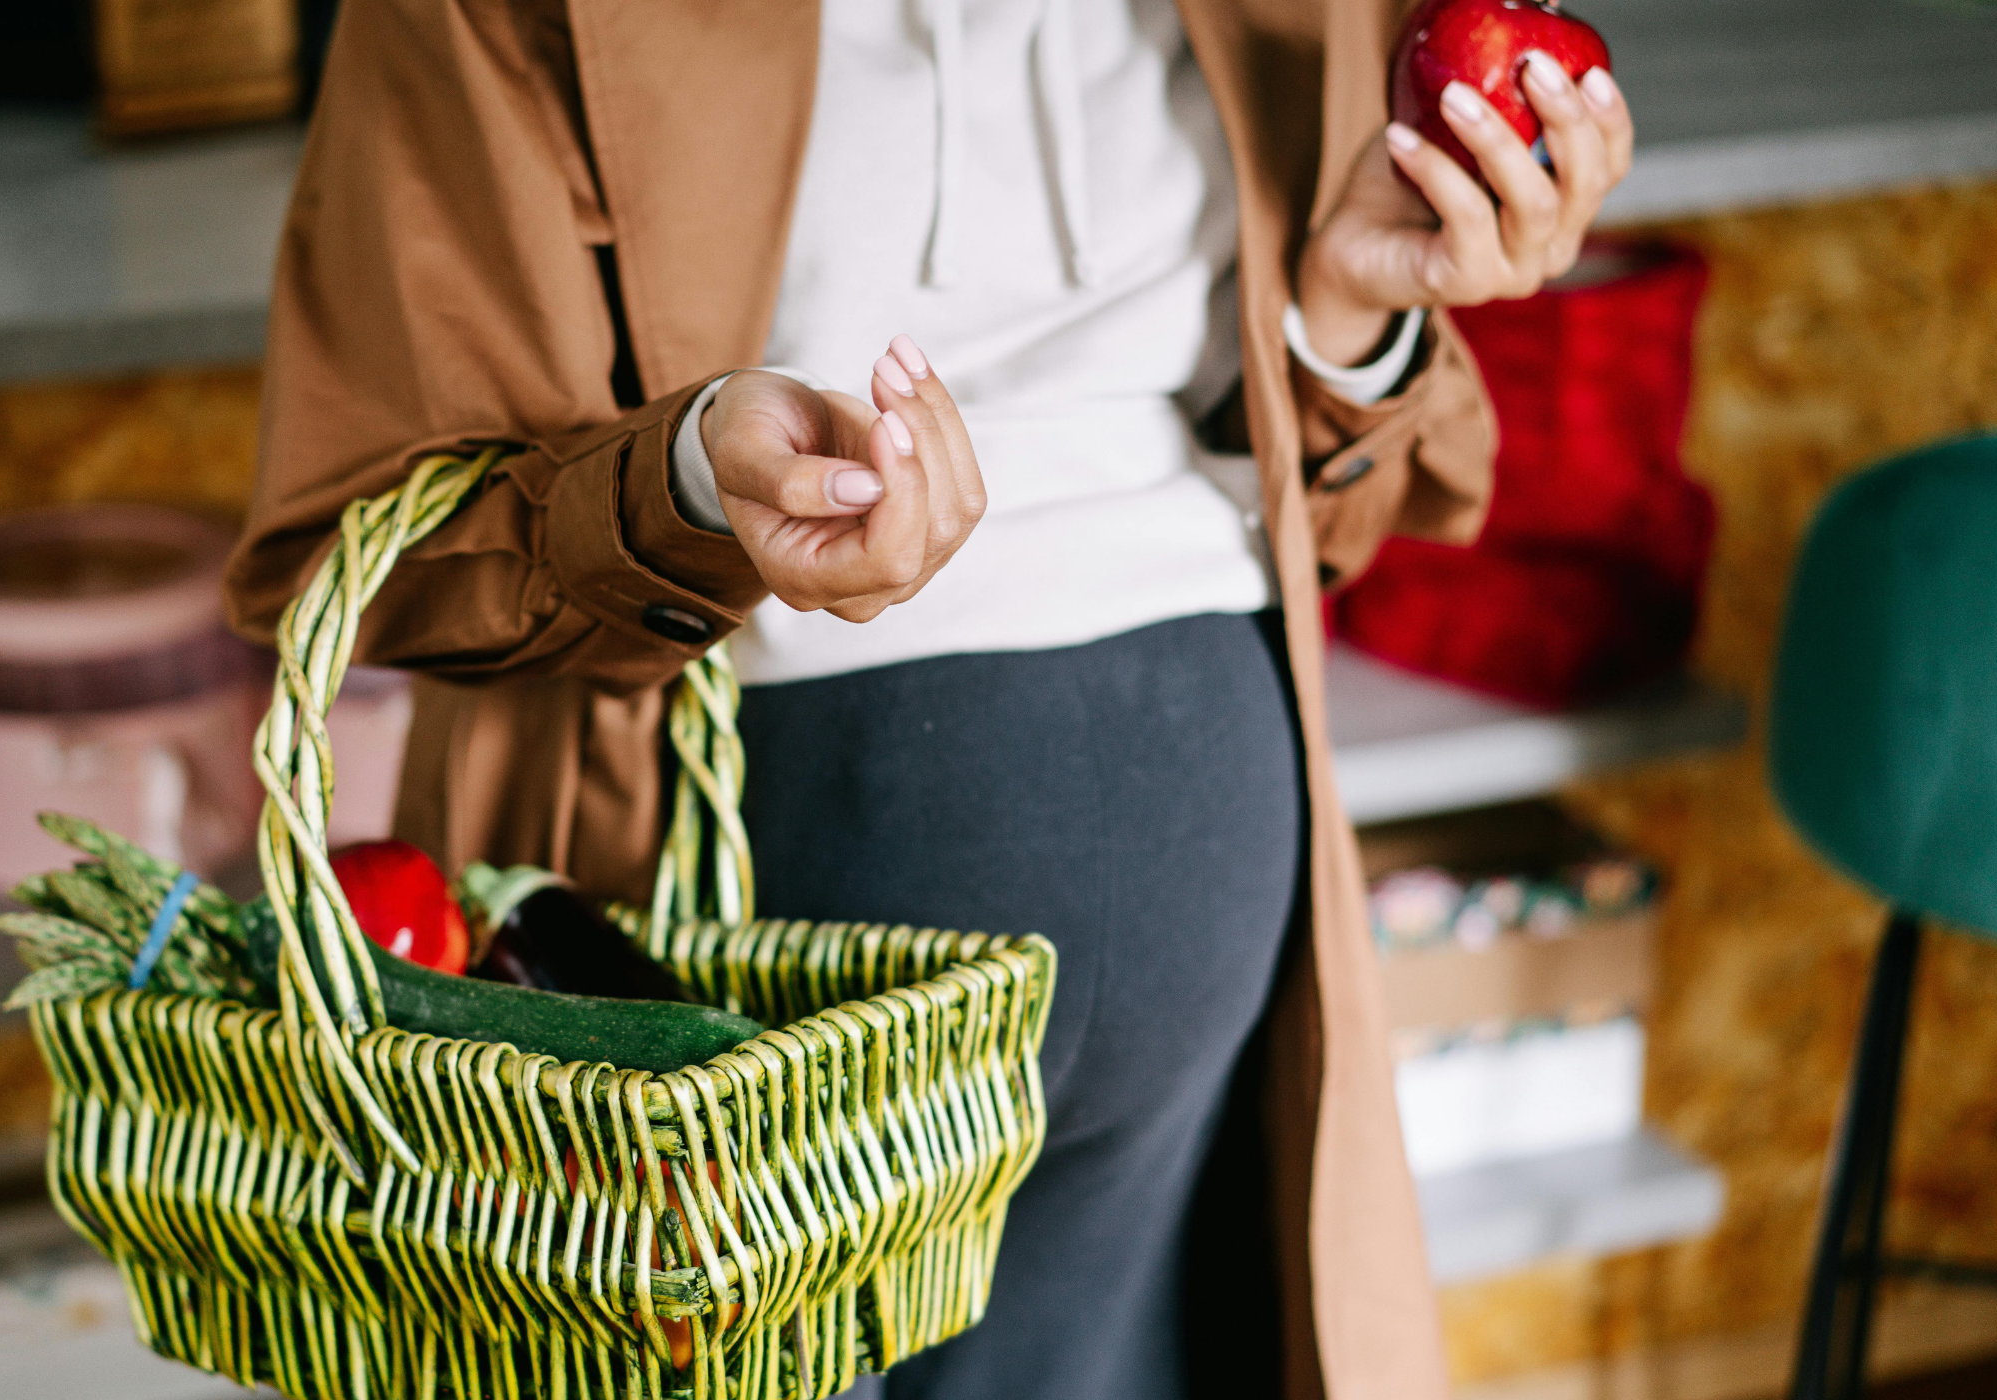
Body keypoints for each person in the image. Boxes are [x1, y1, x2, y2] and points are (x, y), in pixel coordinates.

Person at [226, 3, 1633, 1398]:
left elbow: (1331, 510)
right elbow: (370, 549)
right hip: (717, 932)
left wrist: (1350, 317)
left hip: (1208, 881)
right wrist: (696, 485)